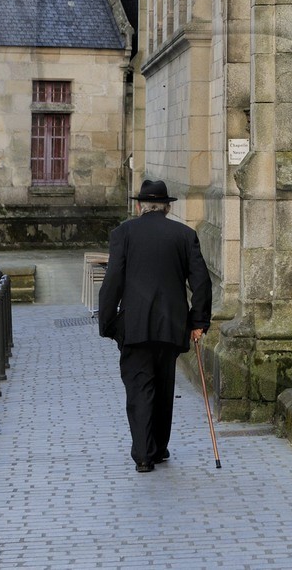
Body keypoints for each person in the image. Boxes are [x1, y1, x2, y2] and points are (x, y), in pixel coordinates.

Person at [97, 179, 212, 473]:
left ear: (139, 206)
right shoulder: (185, 235)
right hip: (172, 326)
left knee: (139, 388)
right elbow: (201, 282)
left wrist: (108, 323)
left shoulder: (123, 233)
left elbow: (113, 282)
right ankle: (158, 448)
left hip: (135, 326)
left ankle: (144, 454)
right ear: (167, 207)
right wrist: (198, 322)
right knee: (163, 386)